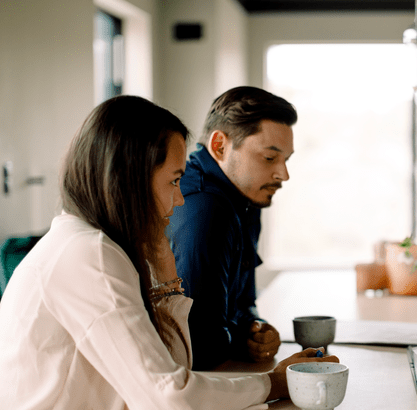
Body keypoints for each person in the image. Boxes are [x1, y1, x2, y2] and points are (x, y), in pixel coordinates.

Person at [0, 95, 336, 409]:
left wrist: (164, 273)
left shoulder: (97, 245)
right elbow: (170, 397)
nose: (179, 200)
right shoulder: (90, 255)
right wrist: (273, 384)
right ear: (130, 179)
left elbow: (174, 371)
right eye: (175, 181)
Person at [168, 86, 295, 370]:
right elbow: (200, 347)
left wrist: (254, 329)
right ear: (220, 146)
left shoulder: (246, 198)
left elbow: (243, 301)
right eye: (269, 158)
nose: (283, 174)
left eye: (286, 159)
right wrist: (240, 338)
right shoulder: (204, 208)